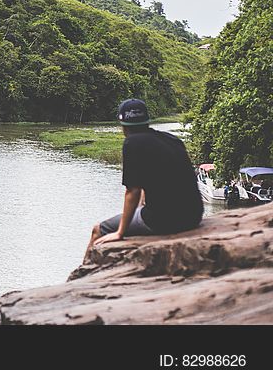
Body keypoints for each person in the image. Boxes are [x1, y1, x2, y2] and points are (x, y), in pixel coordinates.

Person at [86, 99, 203, 257]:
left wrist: (120, 232)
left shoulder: (132, 143)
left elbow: (132, 191)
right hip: (194, 216)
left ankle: (82, 277)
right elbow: (151, 181)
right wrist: (142, 206)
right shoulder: (171, 139)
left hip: (163, 222)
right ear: (147, 120)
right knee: (142, 212)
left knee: (98, 230)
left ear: (123, 125)